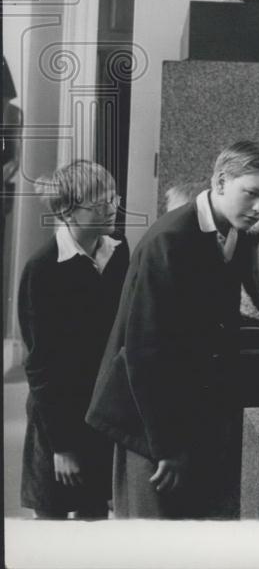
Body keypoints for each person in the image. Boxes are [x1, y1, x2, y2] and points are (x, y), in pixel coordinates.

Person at [86, 139, 259, 519]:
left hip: (189, 417)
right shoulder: (170, 241)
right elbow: (144, 353)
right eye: (252, 194)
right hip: (149, 425)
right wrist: (166, 446)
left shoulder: (233, 233)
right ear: (221, 182)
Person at [18, 160, 129, 519]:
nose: (113, 208)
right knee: (51, 517)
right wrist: (61, 447)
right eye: (100, 203)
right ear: (67, 210)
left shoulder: (117, 250)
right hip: (56, 415)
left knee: (93, 514)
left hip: (97, 408)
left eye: (114, 198)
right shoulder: (44, 268)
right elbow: (41, 365)